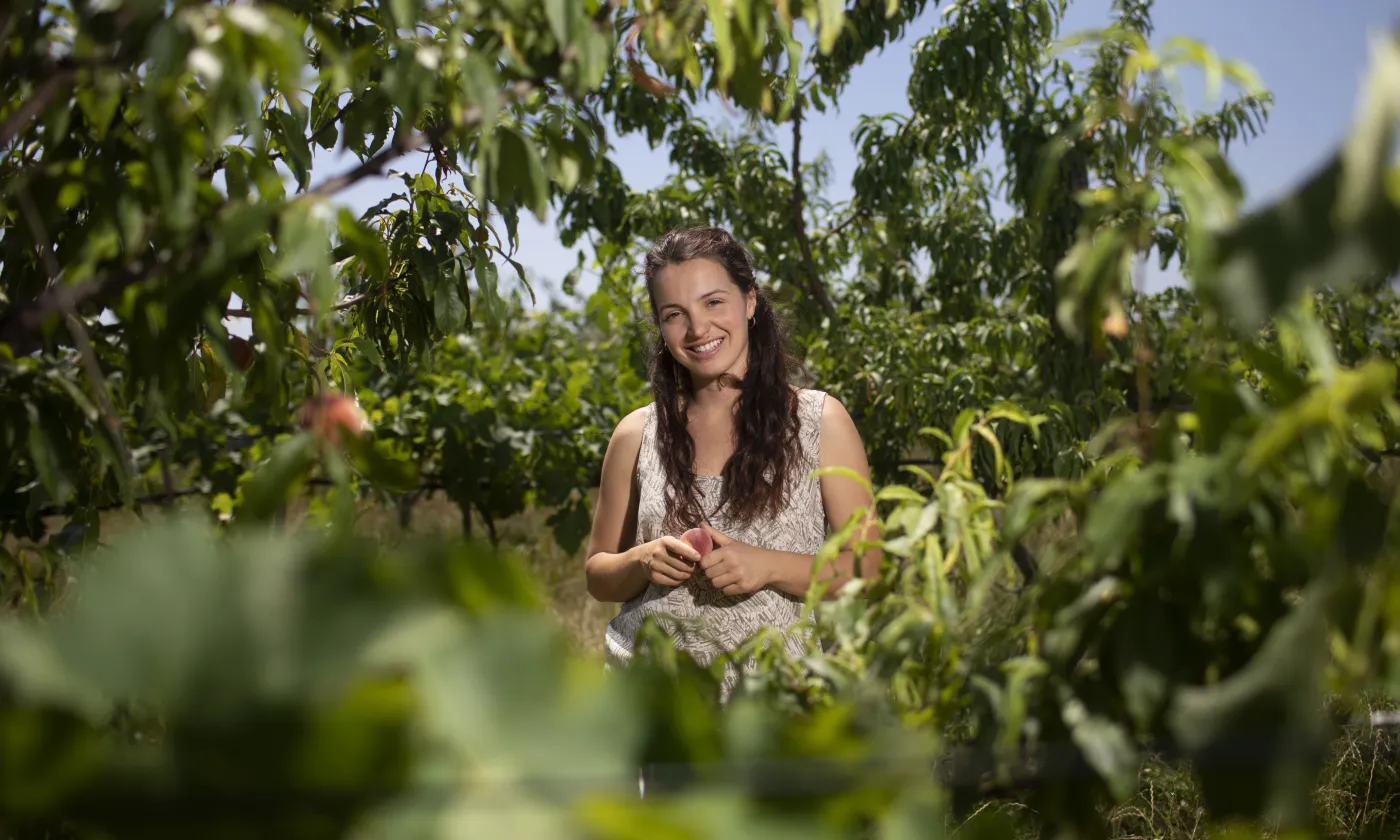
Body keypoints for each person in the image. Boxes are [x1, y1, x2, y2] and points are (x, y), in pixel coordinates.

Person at [584, 226, 880, 702]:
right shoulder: (637, 433)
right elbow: (598, 575)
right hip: (653, 705)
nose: (698, 329)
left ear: (750, 301)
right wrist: (643, 559)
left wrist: (769, 566)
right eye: (674, 314)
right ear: (660, 326)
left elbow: (868, 568)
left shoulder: (819, 421)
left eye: (713, 302)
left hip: (775, 705)